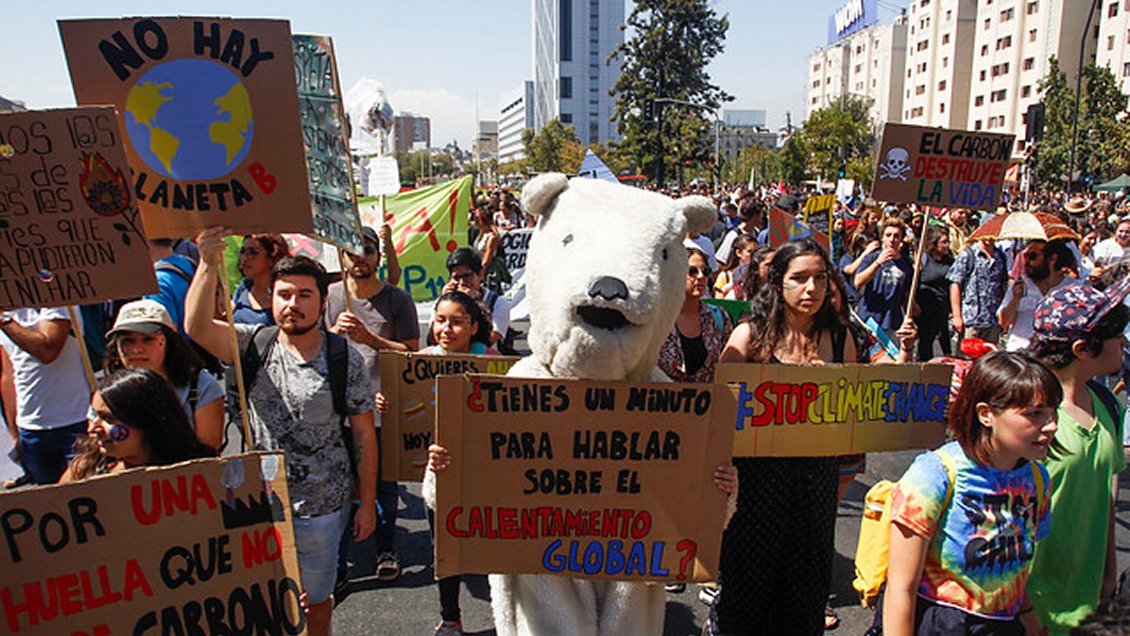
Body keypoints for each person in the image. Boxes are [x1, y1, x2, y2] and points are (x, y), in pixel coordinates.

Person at [711, 238, 915, 635]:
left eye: (820, 279)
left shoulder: (842, 339)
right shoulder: (748, 337)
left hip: (816, 484)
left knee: (803, 593)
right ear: (777, 284)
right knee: (747, 595)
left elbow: (855, 414)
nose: (812, 289)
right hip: (757, 485)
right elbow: (719, 412)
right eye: (799, 278)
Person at [186, 228, 377, 636]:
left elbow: (364, 436)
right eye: (285, 294)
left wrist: (367, 502)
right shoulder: (251, 345)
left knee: (317, 601)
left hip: (322, 509)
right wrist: (206, 263)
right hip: (260, 506)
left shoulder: (345, 359)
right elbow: (197, 327)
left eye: (305, 295)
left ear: (322, 302)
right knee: (264, 600)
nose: (294, 304)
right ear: (270, 300)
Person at [880, 351, 1058, 636]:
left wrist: (1030, 620)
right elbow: (901, 586)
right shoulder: (935, 474)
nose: (1052, 425)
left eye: (1052, 412)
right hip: (942, 624)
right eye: (1035, 414)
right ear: (986, 414)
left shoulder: (1037, 479)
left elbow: (1014, 571)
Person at [1026, 280, 1130, 634]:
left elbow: (1107, 496)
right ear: (1082, 348)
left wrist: (1109, 576)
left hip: (1086, 607)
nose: (1124, 341)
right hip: (1029, 609)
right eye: (1116, 331)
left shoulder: (1109, 407)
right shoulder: (1030, 418)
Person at [325, 225, 419, 586]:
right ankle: (340, 562)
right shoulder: (330, 296)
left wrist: (369, 338)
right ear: (342, 257)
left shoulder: (397, 300)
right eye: (352, 251)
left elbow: (412, 353)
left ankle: (386, 548)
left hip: (382, 407)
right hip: (337, 410)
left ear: (378, 256)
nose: (359, 257)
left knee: (383, 484)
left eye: (367, 250)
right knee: (340, 483)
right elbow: (312, 344)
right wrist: (332, 335)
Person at [416, 291, 496, 635]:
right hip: (440, 475)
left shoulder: (493, 363)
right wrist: (387, 403)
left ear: (473, 326)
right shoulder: (418, 365)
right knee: (445, 550)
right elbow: (409, 420)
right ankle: (450, 617)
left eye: (457, 322)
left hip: (486, 474)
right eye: (440, 320)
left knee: (494, 549)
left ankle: (508, 617)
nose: (447, 329)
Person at [102, 299, 225, 450]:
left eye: (148, 339)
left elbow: (209, 449)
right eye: (128, 341)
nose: (136, 350)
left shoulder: (200, 385)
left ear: (168, 341)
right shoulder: (105, 393)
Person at [61, 368, 216, 482]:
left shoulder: (201, 472)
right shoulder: (84, 471)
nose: (93, 429)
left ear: (144, 420)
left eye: (108, 418)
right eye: (95, 415)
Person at [0, 307, 90, 484]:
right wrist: (14, 434)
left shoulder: (58, 303)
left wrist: (4, 320)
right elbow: (9, 374)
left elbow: (47, 350)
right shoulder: (8, 313)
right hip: (31, 430)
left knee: (82, 492)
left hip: (75, 423)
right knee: (49, 503)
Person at [659, 246, 734, 384]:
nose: (700, 277)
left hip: (708, 402)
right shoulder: (658, 320)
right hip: (665, 401)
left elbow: (728, 369)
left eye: (705, 271)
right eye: (692, 271)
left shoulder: (719, 317)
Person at [998, 239, 1079, 352]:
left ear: (1052, 259)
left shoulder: (1073, 288)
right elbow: (1003, 322)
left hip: (1055, 355)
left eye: (1032, 256)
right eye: (1025, 256)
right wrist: (1015, 299)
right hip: (1020, 355)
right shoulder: (1020, 284)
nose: (1027, 261)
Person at [854, 218, 914, 341]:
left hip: (892, 321)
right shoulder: (871, 258)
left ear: (901, 239)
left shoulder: (906, 264)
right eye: (888, 235)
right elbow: (857, 282)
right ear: (882, 238)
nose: (892, 239)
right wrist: (878, 263)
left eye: (896, 236)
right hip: (869, 319)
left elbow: (907, 293)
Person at [443, 247, 511, 351]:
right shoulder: (443, 302)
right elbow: (431, 339)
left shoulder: (498, 302)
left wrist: (475, 302)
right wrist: (444, 303)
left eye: (467, 276)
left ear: (480, 275)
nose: (462, 282)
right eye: (456, 278)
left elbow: (490, 339)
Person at [948, 238, 1009, 346]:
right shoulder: (968, 255)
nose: (989, 238)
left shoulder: (1000, 257)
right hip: (971, 320)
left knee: (989, 359)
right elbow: (955, 285)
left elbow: (1003, 286)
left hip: (992, 320)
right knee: (967, 358)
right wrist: (957, 316)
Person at [232, 233, 290, 325]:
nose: (245, 258)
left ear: (272, 258)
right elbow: (225, 319)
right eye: (242, 251)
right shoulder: (245, 286)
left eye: (253, 252)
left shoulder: (287, 294)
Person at [917, 226, 953, 361]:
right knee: (926, 340)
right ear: (934, 243)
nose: (947, 245)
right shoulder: (924, 259)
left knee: (945, 338)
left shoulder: (949, 260)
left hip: (943, 306)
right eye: (944, 242)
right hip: (926, 307)